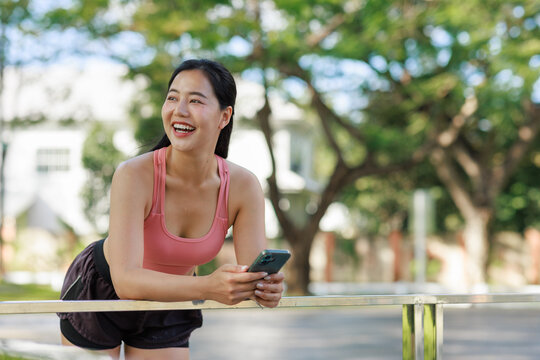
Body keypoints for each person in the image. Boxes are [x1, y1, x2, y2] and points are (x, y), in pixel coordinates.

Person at [57, 58, 285, 359]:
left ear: (224, 116)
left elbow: (250, 272)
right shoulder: (134, 174)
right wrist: (207, 286)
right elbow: (126, 281)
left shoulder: (243, 186)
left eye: (195, 100)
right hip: (102, 291)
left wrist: (263, 289)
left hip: (173, 300)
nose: (179, 110)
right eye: (173, 98)